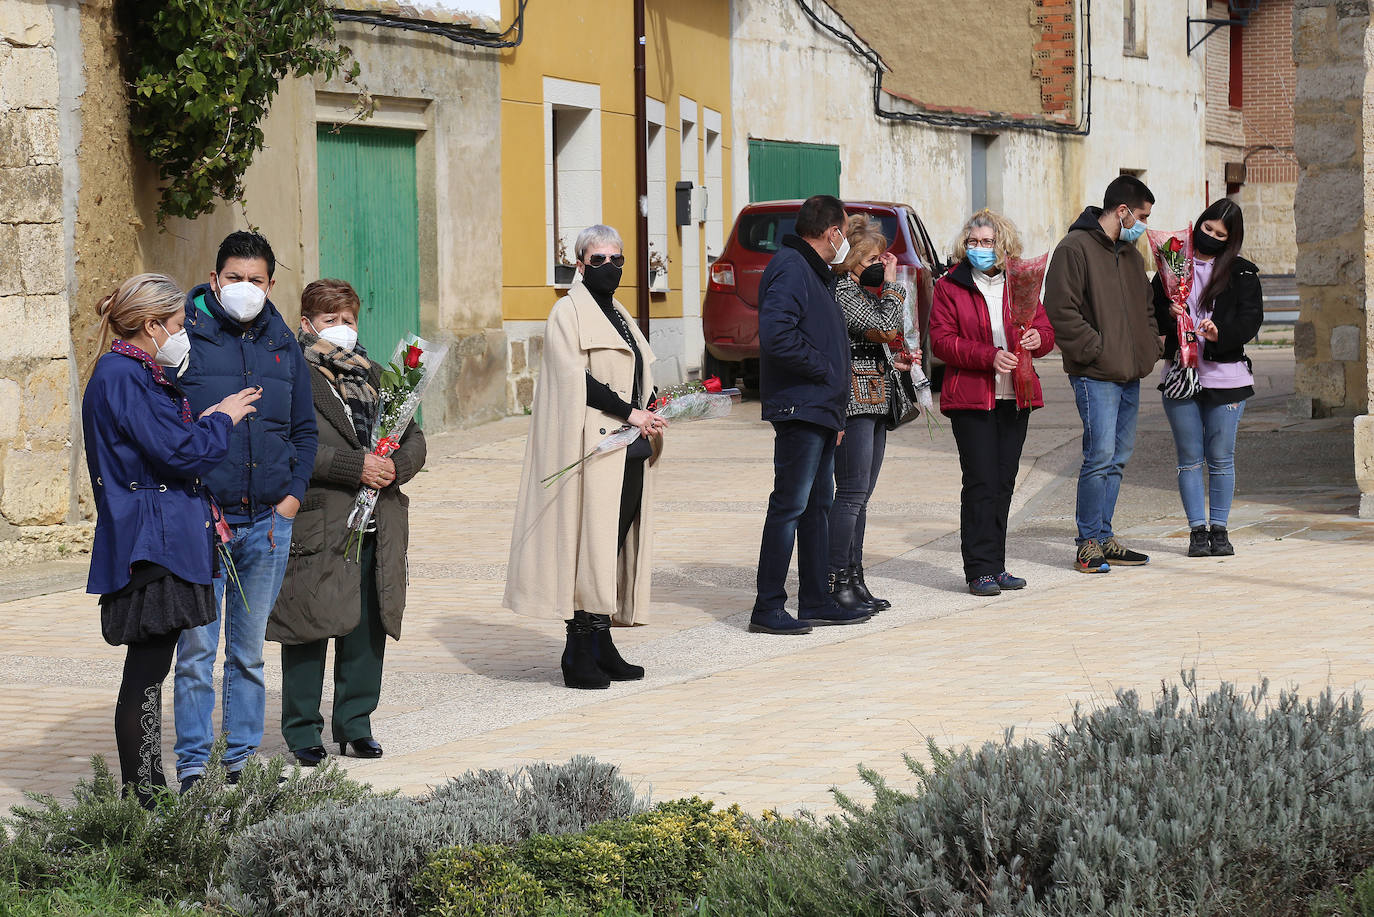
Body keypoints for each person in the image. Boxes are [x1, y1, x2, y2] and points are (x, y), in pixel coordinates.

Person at [82, 274, 260, 806]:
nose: (183, 333)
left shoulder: (131, 373)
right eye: (179, 324)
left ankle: (147, 789)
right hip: (149, 538)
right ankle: (143, 794)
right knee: (147, 670)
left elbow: (164, 444)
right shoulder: (124, 375)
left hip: (156, 533)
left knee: (151, 668)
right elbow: (181, 455)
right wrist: (222, 421)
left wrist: (200, 424)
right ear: (151, 325)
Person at [171, 232, 319, 791]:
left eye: (256, 280)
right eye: (234, 278)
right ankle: (191, 768)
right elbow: (169, 428)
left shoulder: (283, 343)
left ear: (271, 285)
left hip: (267, 523)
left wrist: (291, 498)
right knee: (196, 653)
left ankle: (239, 764)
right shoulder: (184, 341)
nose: (245, 289)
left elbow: (303, 431)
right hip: (204, 522)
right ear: (214, 280)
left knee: (249, 653)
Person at [266, 280, 427, 765]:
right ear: (307, 323)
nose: (343, 330)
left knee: (366, 627)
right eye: (331, 319)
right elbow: (284, 445)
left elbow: (414, 436)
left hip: (378, 518)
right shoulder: (288, 373)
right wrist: (352, 466)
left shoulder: (378, 375)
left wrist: (396, 466)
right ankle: (302, 731)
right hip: (322, 520)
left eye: (349, 320)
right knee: (309, 625)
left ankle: (356, 724)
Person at [505, 225, 663, 689]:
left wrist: (651, 407)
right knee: (589, 544)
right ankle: (578, 650)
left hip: (628, 446)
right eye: (599, 260)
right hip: (593, 445)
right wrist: (631, 412)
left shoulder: (618, 312)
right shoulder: (566, 312)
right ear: (579, 264)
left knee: (611, 545)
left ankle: (600, 640)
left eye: (617, 259)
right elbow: (578, 381)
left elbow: (637, 371)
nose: (610, 267)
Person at [749, 194, 869, 635]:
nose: (845, 240)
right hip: (800, 405)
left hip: (819, 409)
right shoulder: (791, 267)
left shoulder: (815, 273)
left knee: (817, 505)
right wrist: (825, 371)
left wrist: (835, 410)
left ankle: (816, 600)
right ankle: (768, 607)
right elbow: (777, 335)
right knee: (790, 505)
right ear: (832, 232)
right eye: (843, 231)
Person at [932, 210, 1056, 596]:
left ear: (1003, 246)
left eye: (987, 242)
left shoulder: (1021, 282)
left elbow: (1046, 329)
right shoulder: (949, 286)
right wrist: (987, 356)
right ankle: (979, 569)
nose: (979, 249)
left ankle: (998, 564)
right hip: (971, 397)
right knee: (981, 481)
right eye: (973, 242)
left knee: (1003, 482)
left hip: (1014, 396)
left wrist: (1039, 339)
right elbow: (941, 341)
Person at [1044, 175, 1163, 574]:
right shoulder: (1073, 248)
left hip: (1129, 373)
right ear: (1122, 210)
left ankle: (1104, 536)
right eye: (1142, 216)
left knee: (1119, 458)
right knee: (1099, 457)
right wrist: (1097, 350)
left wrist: (1149, 348)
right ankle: (1087, 543)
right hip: (1095, 374)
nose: (1144, 224)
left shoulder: (1130, 256)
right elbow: (1061, 310)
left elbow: (1146, 309)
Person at [1152, 200, 1261, 558]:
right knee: (1189, 457)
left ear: (1231, 240)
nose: (1210, 236)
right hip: (1182, 376)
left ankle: (1220, 529)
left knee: (1221, 457)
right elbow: (1153, 315)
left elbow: (1251, 320)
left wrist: (1220, 332)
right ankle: (1197, 532)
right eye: (1207, 228)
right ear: (1198, 224)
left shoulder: (1242, 273)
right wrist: (1171, 318)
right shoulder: (1171, 265)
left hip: (1225, 377)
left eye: (1220, 234)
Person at [827, 214, 919, 615]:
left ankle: (855, 575)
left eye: (882, 258)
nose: (880, 266)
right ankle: (835, 580)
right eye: (870, 260)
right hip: (853, 402)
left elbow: (880, 338)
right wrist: (896, 287)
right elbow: (884, 323)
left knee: (861, 498)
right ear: (851, 263)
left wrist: (895, 361)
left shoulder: (865, 293)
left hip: (877, 399)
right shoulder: (845, 291)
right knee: (849, 495)